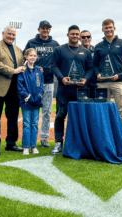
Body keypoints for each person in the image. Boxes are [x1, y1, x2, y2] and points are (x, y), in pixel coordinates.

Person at [51, 25, 93, 154]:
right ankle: (58, 142)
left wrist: (85, 79)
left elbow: (90, 68)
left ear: (79, 36)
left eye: (77, 34)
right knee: (60, 116)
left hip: (80, 89)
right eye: (72, 34)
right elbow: (53, 65)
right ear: (67, 35)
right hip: (64, 89)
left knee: (80, 116)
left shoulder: (85, 52)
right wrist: (61, 78)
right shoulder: (59, 50)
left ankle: (77, 142)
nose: (75, 36)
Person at [0, 25, 25, 155]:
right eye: (9, 34)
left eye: (13, 35)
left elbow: (24, 65)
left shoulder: (19, 50)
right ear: (3, 33)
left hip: (14, 88)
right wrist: (13, 71)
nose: (11, 37)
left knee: (13, 117)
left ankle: (11, 143)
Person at [93, 19, 122, 135]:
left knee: (121, 112)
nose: (108, 29)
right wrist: (98, 74)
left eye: (110, 27)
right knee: (102, 112)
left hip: (118, 82)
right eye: (106, 28)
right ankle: (104, 137)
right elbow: (94, 64)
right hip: (102, 83)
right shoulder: (98, 46)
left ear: (114, 28)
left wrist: (120, 75)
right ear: (102, 30)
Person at [23, 20, 60, 148]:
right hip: (33, 83)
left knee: (47, 111)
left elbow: (59, 61)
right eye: (43, 28)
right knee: (32, 109)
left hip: (48, 81)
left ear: (50, 30)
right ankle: (29, 137)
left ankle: (44, 137)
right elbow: (24, 58)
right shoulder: (31, 42)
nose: (45, 30)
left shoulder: (55, 44)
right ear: (39, 29)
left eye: (47, 28)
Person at [18, 48, 44, 155]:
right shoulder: (23, 71)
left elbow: (42, 85)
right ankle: (25, 147)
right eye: (30, 55)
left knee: (34, 124)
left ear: (36, 57)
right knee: (26, 124)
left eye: (34, 56)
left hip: (37, 101)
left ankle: (33, 146)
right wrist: (27, 96)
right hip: (26, 102)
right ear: (26, 56)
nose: (32, 57)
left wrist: (39, 95)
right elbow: (20, 85)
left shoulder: (39, 70)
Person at [80, 30, 96, 98]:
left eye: (88, 37)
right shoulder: (76, 50)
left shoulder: (96, 50)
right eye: (83, 37)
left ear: (91, 38)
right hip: (81, 82)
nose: (86, 38)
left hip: (94, 82)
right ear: (80, 39)